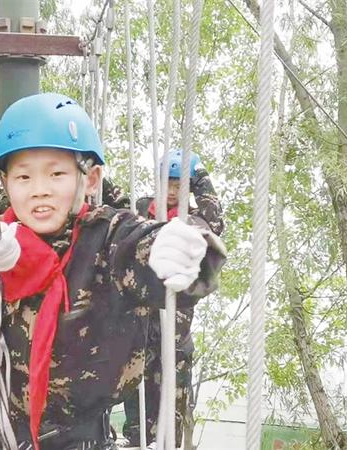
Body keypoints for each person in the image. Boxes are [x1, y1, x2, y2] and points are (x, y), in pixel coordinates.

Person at [0, 93, 226, 450]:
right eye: (23, 177)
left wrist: (179, 247)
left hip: (74, 437)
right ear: (4, 183)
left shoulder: (109, 238)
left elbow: (152, 248)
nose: (39, 191)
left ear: (91, 179)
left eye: (57, 174)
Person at [122, 148, 224, 448]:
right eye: (168, 183)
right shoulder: (139, 210)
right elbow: (107, 201)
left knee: (170, 419)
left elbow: (215, 221)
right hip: (138, 331)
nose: (172, 191)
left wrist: (201, 176)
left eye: (180, 185)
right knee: (137, 414)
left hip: (175, 336)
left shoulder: (193, 221)